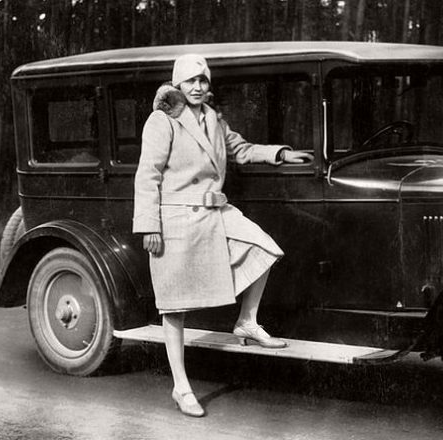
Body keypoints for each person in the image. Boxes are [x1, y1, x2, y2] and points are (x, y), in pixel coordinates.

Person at [132, 54, 312, 418]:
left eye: (203, 80)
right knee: (175, 308)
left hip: (216, 212)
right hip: (176, 219)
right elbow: (147, 174)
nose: (198, 87)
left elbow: (241, 149)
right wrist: (149, 225)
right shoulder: (162, 120)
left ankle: (246, 320)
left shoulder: (214, 118)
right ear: (177, 85)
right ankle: (181, 387)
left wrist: (280, 153)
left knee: (265, 248)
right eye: (190, 81)